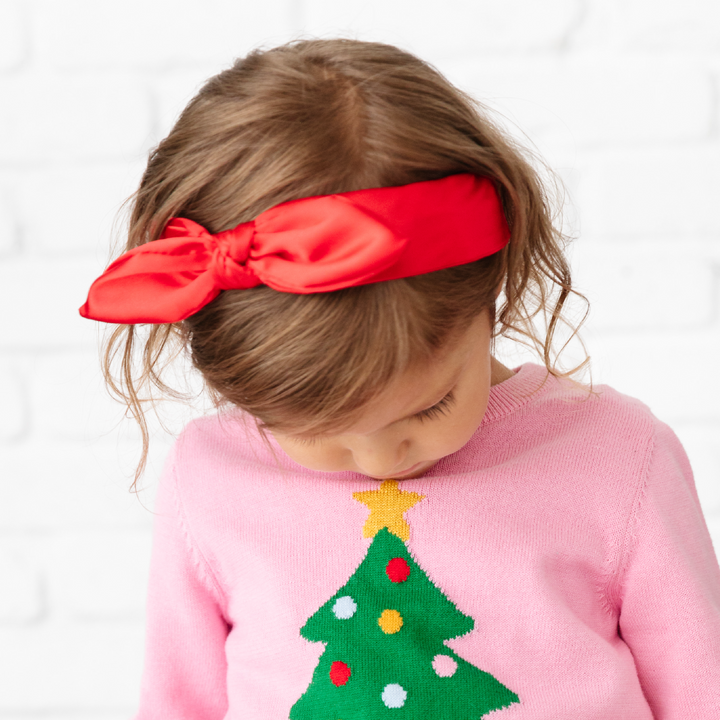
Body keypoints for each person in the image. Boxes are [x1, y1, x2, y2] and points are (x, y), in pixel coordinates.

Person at [79, 39, 720, 719]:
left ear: (487, 293)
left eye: (432, 404)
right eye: (321, 431)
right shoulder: (209, 480)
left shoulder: (618, 458)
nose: (383, 460)